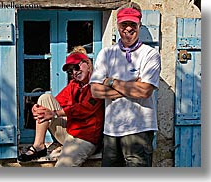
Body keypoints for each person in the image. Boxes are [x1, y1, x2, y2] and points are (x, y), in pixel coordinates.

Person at [89, 2, 161, 167]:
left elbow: (144, 91)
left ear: (139, 25)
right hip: (111, 130)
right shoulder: (107, 53)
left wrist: (111, 81)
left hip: (139, 130)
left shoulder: (150, 54)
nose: (128, 28)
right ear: (117, 26)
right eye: (124, 24)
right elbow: (95, 90)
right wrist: (130, 86)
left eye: (132, 24)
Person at [18, 47, 105, 167]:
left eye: (76, 67)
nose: (74, 72)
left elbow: (84, 109)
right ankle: (39, 146)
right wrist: (38, 108)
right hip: (70, 132)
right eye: (71, 71)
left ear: (88, 64)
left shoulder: (97, 85)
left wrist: (54, 113)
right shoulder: (74, 84)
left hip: (86, 139)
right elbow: (57, 101)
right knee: (45, 98)